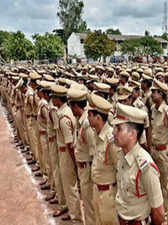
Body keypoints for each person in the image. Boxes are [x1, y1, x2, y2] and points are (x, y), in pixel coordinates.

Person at [112, 103, 166, 225]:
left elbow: (158, 212)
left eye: (119, 128)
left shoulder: (145, 165)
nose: (113, 132)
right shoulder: (121, 156)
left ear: (132, 134)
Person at [51, 84, 82, 222]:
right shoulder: (65, 112)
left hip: (67, 154)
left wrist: (73, 161)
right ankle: (71, 210)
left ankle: (75, 216)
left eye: (54, 97)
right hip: (65, 152)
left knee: (70, 186)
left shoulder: (64, 117)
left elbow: (69, 144)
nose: (52, 99)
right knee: (68, 185)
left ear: (59, 99)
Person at [87, 93, 120, 225]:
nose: (87, 118)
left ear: (98, 117)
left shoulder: (111, 139)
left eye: (90, 115)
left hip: (109, 193)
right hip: (97, 189)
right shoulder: (97, 134)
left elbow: (119, 169)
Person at [68, 87, 96, 225]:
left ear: (75, 105)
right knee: (87, 202)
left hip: (88, 169)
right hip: (83, 168)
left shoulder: (86, 123)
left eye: (71, 105)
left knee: (90, 205)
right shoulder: (81, 120)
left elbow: (94, 152)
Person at [148, 79, 168, 212]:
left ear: (161, 94)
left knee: (164, 183)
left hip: (163, 151)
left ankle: (166, 212)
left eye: (155, 92)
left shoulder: (167, 111)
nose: (152, 94)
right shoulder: (153, 109)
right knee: (153, 182)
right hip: (154, 150)